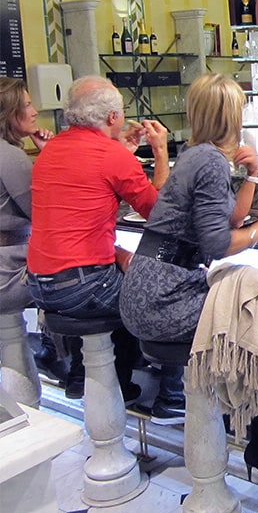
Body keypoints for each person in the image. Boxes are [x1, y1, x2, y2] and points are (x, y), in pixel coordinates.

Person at [120, 73, 258, 486]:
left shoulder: (197, 155)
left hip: (150, 287)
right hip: (163, 298)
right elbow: (218, 243)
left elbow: (222, 221)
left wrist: (251, 178)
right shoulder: (211, 162)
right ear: (231, 114)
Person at [26, 75, 170, 403]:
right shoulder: (111, 155)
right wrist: (160, 152)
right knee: (148, 295)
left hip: (38, 285)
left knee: (112, 281)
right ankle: (154, 392)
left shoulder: (50, 151)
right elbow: (161, 214)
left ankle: (82, 375)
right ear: (112, 118)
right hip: (81, 286)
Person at [0, 77, 54, 406]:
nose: (35, 112)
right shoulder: (11, 157)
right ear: (10, 113)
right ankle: (69, 362)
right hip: (8, 272)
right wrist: (49, 156)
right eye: (28, 106)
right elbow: (43, 212)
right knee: (81, 281)